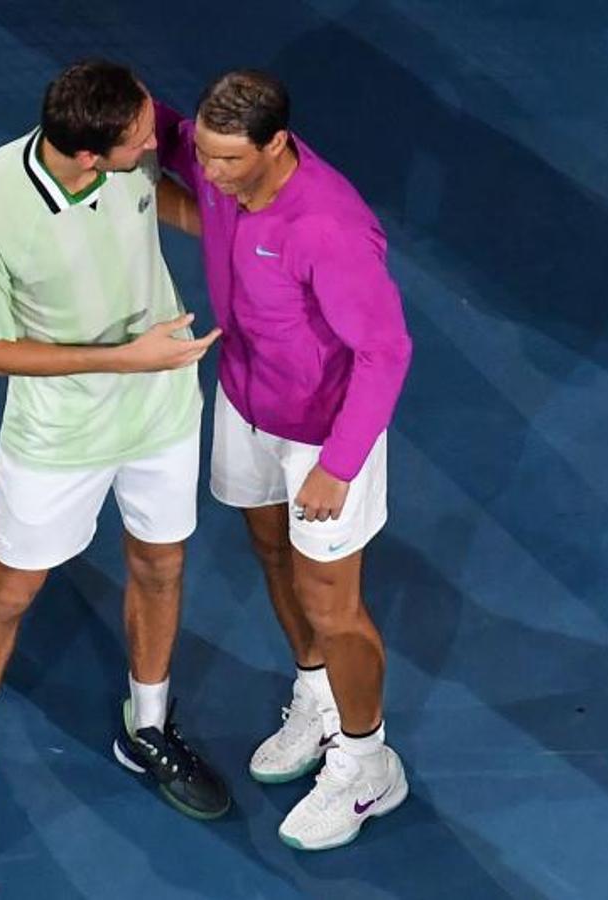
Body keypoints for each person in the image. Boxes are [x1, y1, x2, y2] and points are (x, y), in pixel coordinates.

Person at [0, 59, 231, 867]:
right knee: (12, 588)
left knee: (160, 567)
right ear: (90, 153)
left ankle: (148, 727)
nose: (156, 134)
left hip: (161, 411)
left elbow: (147, 196)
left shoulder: (127, 156)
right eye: (138, 135)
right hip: (59, 434)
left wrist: (220, 221)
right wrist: (124, 359)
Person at [153, 70, 414, 851]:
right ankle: (315, 697)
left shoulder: (327, 228)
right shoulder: (209, 156)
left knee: (333, 603)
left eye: (229, 161)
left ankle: (369, 766)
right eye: (205, 157)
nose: (211, 174)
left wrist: (337, 464)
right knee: (269, 552)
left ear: (276, 145)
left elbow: (386, 350)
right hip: (246, 399)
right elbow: (151, 128)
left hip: (324, 437)